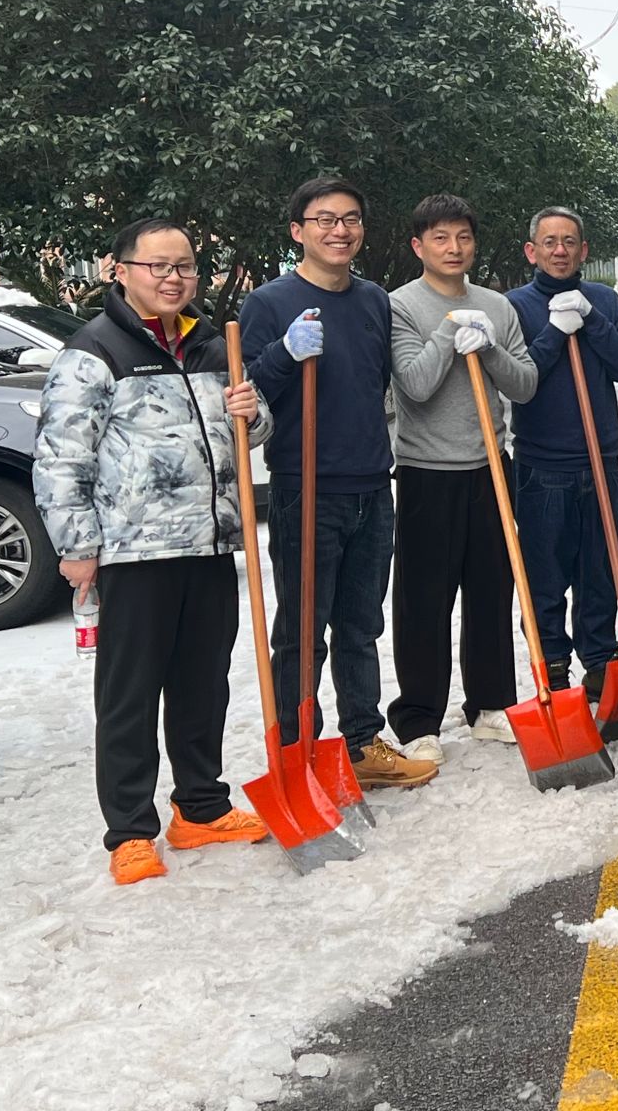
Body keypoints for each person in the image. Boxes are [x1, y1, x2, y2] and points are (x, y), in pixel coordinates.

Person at [33, 218, 272, 884]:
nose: (174, 278)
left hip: (209, 543)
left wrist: (253, 413)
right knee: (129, 695)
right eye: (158, 266)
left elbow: (250, 433)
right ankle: (130, 831)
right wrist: (76, 545)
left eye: (185, 266)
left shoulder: (212, 344)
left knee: (203, 686)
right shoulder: (95, 351)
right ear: (122, 271)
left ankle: (200, 807)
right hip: (133, 552)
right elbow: (61, 457)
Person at [241, 177, 437, 790]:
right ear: (298, 231)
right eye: (324, 219)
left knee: (361, 625)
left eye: (350, 219)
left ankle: (361, 742)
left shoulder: (374, 300)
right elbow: (248, 401)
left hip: (373, 486)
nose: (339, 230)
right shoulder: (269, 304)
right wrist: (284, 353)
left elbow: (376, 385)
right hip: (306, 488)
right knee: (302, 631)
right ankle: (297, 753)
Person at [386, 194, 540, 759]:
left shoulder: (496, 305)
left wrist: (491, 349)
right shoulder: (400, 306)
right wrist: (449, 333)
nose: (454, 248)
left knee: (491, 591)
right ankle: (419, 720)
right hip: (427, 472)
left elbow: (525, 385)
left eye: (463, 237)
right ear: (418, 245)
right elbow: (415, 386)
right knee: (423, 601)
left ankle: (492, 704)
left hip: (490, 467)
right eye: (440, 238)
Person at [504, 207, 618, 696]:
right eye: (549, 242)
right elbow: (519, 381)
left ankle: (600, 663)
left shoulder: (604, 301)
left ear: (583, 251)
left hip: (601, 462)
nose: (559, 250)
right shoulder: (515, 307)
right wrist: (554, 331)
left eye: (569, 242)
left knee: (600, 574)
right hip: (542, 470)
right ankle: (553, 670)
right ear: (532, 251)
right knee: (544, 579)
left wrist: (590, 320)